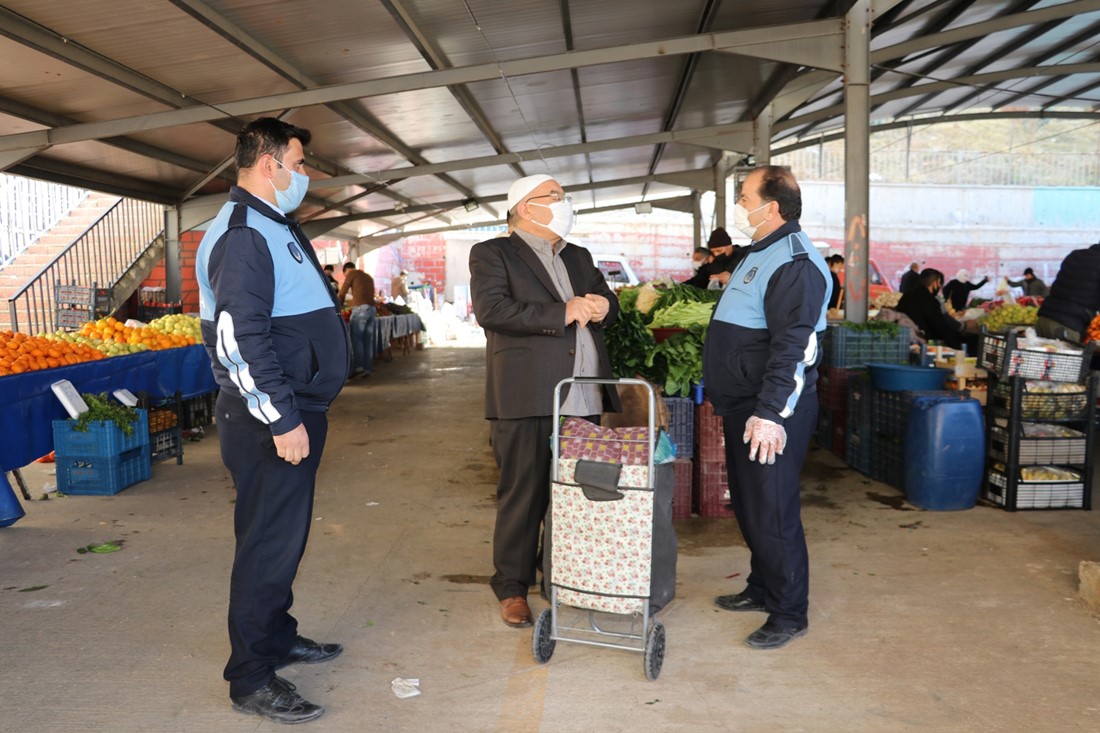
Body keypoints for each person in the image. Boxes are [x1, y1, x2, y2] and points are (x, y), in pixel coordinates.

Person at [195, 117, 349, 724]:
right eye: (299, 161)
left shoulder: (272, 223)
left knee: (284, 540)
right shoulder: (240, 233)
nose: (305, 173)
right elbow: (239, 336)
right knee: (265, 546)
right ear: (269, 164)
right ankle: (251, 677)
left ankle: (277, 637)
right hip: (268, 419)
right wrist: (282, 420)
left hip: (292, 408)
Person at [470, 173, 621, 628]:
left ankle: (561, 576)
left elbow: (607, 299)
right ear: (525, 207)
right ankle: (512, 587)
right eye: (554, 197)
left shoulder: (578, 255)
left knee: (576, 495)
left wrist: (603, 307)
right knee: (525, 492)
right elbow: (492, 311)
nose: (564, 203)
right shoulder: (493, 253)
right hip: (528, 393)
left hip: (584, 391)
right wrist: (564, 312)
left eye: (563, 196)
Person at [702, 166, 831, 650]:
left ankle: (788, 612)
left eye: (743, 196)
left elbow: (794, 347)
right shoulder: (762, 252)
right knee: (752, 505)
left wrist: (772, 412)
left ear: (771, 206)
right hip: (744, 404)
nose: (739, 205)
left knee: (773, 511)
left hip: (771, 410)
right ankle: (761, 587)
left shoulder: (795, 262)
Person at [895, 268, 978, 351]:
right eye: (939, 283)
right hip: (922, 342)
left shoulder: (906, 296)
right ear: (935, 283)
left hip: (905, 339)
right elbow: (941, 327)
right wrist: (959, 346)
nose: (940, 287)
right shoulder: (930, 301)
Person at [1035, 243, 1100, 342]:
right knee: (1066, 358)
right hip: (1067, 326)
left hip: (1045, 318)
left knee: (1037, 357)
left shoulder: (1075, 255)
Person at [338, 261, 377, 378]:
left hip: (360, 309)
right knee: (367, 340)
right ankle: (367, 368)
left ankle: (359, 367)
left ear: (347, 271)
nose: (346, 277)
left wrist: (338, 307)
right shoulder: (368, 276)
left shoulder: (352, 274)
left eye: (345, 275)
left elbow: (342, 292)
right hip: (371, 309)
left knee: (357, 339)